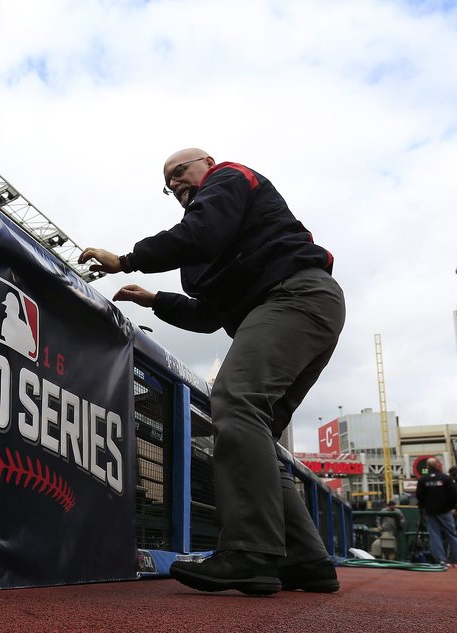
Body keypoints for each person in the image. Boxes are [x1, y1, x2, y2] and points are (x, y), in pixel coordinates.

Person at [78, 149, 343, 596]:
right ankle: (306, 559)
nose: (176, 182)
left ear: (207, 162)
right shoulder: (201, 253)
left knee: (235, 401)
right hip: (294, 308)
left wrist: (126, 259)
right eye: (169, 183)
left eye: (181, 170)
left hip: (295, 296)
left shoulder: (229, 178)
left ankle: (250, 553)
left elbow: (199, 232)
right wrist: (155, 300)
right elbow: (208, 316)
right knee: (250, 431)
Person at [415, 458, 457, 567]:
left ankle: (441, 560)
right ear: (438, 465)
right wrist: (450, 507)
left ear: (427, 467)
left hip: (430, 511)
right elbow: (453, 494)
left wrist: (424, 507)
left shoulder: (423, 479)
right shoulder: (445, 478)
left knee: (434, 535)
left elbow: (419, 496)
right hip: (444, 511)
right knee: (452, 535)